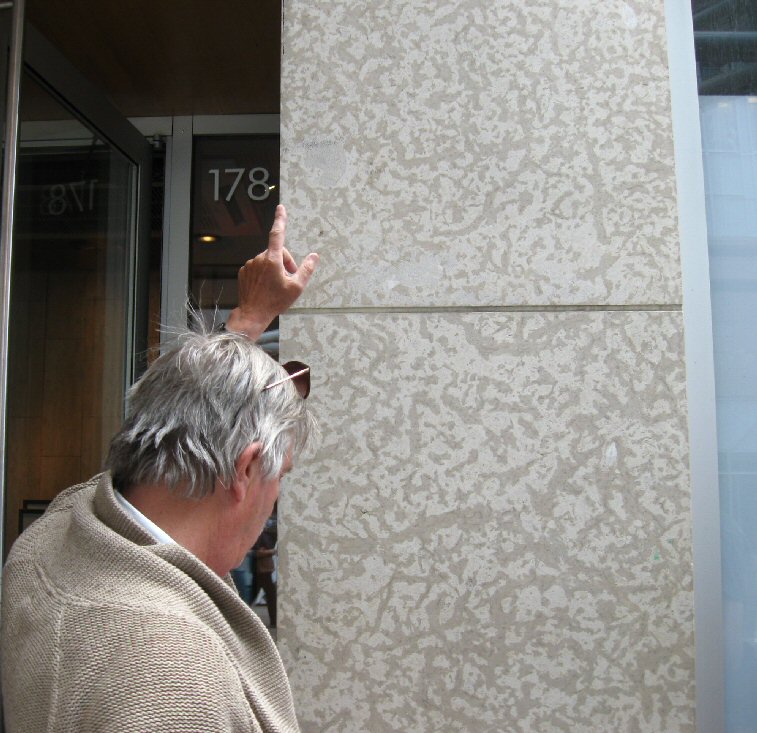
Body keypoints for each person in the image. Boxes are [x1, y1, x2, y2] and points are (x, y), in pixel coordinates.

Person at [0, 205, 319, 733]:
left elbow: (168, 414)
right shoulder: (172, 677)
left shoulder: (57, 531)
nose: (276, 496)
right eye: (279, 474)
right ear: (244, 471)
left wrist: (248, 320)